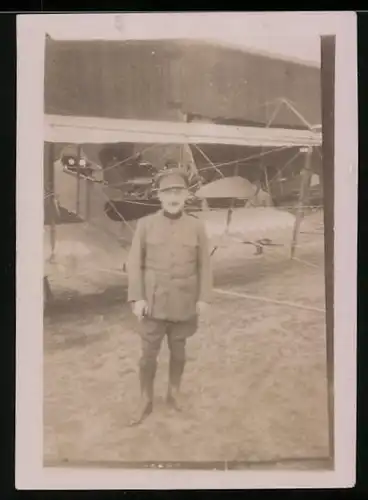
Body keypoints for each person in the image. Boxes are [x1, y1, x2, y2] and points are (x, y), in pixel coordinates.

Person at [127, 167, 212, 425]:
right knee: (147, 355)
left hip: (184, 302)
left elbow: (204, 266)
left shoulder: (197, 227)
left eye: (179, 192)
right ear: (159, 197)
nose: (173, 197)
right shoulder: (145, 225)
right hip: (152, 303)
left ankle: (174, 393)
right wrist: (137, 298)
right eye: (168, 192)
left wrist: (203, 297)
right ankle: (145, 399)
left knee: (179, 351)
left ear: (187, 195)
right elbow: (134, 264)